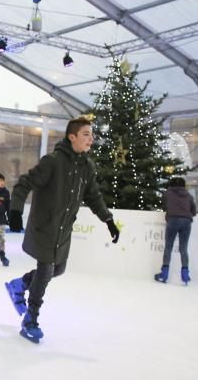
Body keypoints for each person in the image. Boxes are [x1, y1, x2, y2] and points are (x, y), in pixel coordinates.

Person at [6, 118, 120, 343]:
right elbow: (24, 183)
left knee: (58, 270)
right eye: (86, 134)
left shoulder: (87, 167)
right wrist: (16, 211)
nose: (91, 138)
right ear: (72, 137)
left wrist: (108, 220)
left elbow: (94, 196)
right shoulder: (53, 162)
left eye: (91, 134)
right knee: (46, 270)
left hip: (63, 229)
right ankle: (30, 320)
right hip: (45, 226)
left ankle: (19, 285)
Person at [154, 177, 197, 284]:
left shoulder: (167, 193)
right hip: (186, 221)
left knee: (168, 246)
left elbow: (164, 206)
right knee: (183, 248)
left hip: (173, 219)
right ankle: (185, 274)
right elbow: (194, 211)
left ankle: (164, 273)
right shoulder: (188, 195)